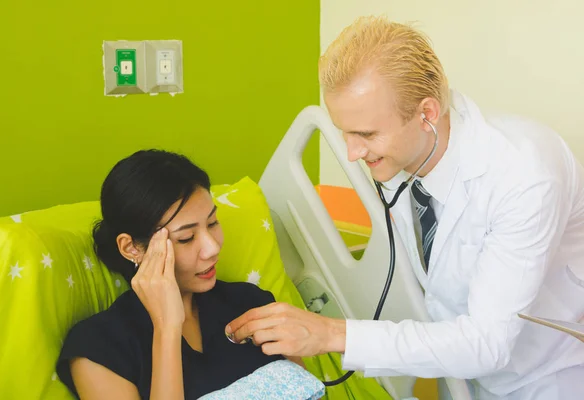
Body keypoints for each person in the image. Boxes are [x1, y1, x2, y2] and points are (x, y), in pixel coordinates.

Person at [226, 15, 584, 400]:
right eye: (344, 132)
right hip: (465, 378)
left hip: (546, 378)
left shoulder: (523, 173)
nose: (351, 152)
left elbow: (487, 343)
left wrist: (330, 333)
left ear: (426, 114)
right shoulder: (400, 158)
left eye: (366, 134)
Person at [56, 150, 301, 400]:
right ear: (132, 248)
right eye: (186, 238)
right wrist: (167, 328)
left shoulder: (252, 305)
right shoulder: (99, 348)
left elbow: (306, 391)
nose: (212, 248)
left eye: (213, 223)